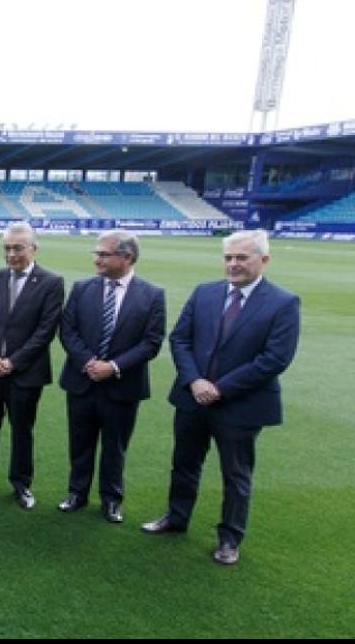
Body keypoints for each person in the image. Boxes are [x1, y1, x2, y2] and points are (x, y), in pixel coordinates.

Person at [142, 230, 300, 566]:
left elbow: (275, 359)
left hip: (241, 406)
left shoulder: (283, 303)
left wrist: (221, 388)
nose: (233, 264)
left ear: (264, 260)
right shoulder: (204, 293)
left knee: (236, 474)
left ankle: (229, 539)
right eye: (228, 257)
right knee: (184, 463)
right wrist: (195, 381)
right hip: (192, 399)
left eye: (242, 257)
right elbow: (180, 339)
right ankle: (176, 517)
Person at [57, 230, 166, 523]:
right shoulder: (82, 288)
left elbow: (151, 342)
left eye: (104, 254)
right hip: (82, 380)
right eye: (97, 253)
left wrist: (114, 367)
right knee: (80, 442)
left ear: (127, 257)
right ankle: (76, 493)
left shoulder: (152, 295)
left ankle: (111, 499)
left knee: (115, 446)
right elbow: (67, 331)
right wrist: (90, 361)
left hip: (122, 385)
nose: (97, 259)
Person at [0, 222, 63, 510]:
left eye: (18, 248)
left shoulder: (51, 282)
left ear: (34, 248)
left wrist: (14, 362)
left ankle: (21, 483)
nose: (11, 254)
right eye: (7, 248)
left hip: (26, 374)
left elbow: (46, 331)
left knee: (21, 429)